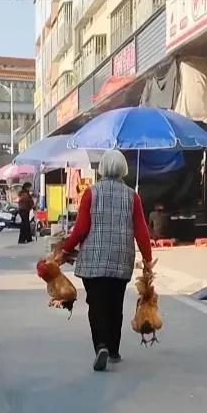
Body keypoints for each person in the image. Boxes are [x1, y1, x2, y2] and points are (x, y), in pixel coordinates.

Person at [57, 150, 153, 371]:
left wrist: (66, 249)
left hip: (94, 259)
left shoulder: (92, 193)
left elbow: (81, 229)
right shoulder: (132, 196)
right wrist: (148, 261)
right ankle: (114, 349)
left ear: (102, 169)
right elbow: (141, 231)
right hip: (121, 258)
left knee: (96, 304)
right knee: (115, 304)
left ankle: (100, 345)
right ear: (123, 169)